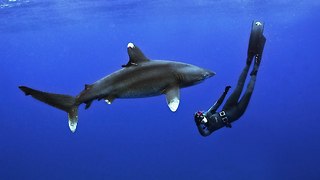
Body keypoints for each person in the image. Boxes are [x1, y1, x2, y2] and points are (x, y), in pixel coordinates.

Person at [194, 21, 266, 136]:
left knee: (239, 86)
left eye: (200, 115)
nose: (202, 116)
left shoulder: (208, 114)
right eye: (200, 117)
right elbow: (204, 134)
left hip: (227, 107)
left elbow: (217, 103)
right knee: (249, 91)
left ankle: (248, 63)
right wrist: (198, 125)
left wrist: (225, 92)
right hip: (237, 113)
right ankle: (255, 69)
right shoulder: (209, 128)